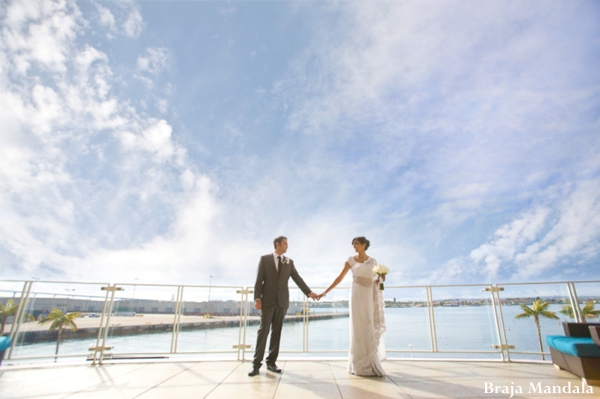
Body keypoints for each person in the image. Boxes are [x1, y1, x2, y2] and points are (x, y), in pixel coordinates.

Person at [249, 236, 319, 377]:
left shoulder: (289, 262)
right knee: (263, 331)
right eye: (285, 243)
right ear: (277, 244)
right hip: (267, 301)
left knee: (277, 332)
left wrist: (309, 292)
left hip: (282, 302)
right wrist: (257, 298)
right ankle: (256, 365)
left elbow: (297, 278)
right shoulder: (265, 259)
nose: (287, 246)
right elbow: (259, 280)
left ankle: (271, 363)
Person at [317, 236, 386, 376]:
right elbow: (339, 278)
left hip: (369, 295)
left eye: (356, 244)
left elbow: (380, 282)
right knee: (357, 327)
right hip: (356, 294)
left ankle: (371, 361)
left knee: (369, 324)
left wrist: (382, 280)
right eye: (353, 244)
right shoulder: (350, 260)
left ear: (364, 245)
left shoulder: (373, 261)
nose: (354, 246)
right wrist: (325, 292)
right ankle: (358, 363)